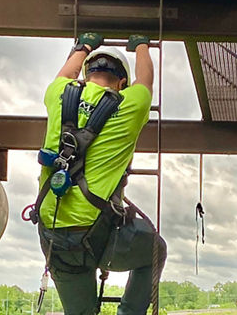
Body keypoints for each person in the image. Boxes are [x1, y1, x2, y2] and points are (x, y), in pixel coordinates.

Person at [35, 32, 167, 315]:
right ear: (122, 84)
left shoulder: (58, 93)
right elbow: (146, 81)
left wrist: (84, 45)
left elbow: (65, 71)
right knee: (155, 251)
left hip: (52, 231)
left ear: (84, 77)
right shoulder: (129, 105)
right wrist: (141, 45)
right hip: (97, 233)